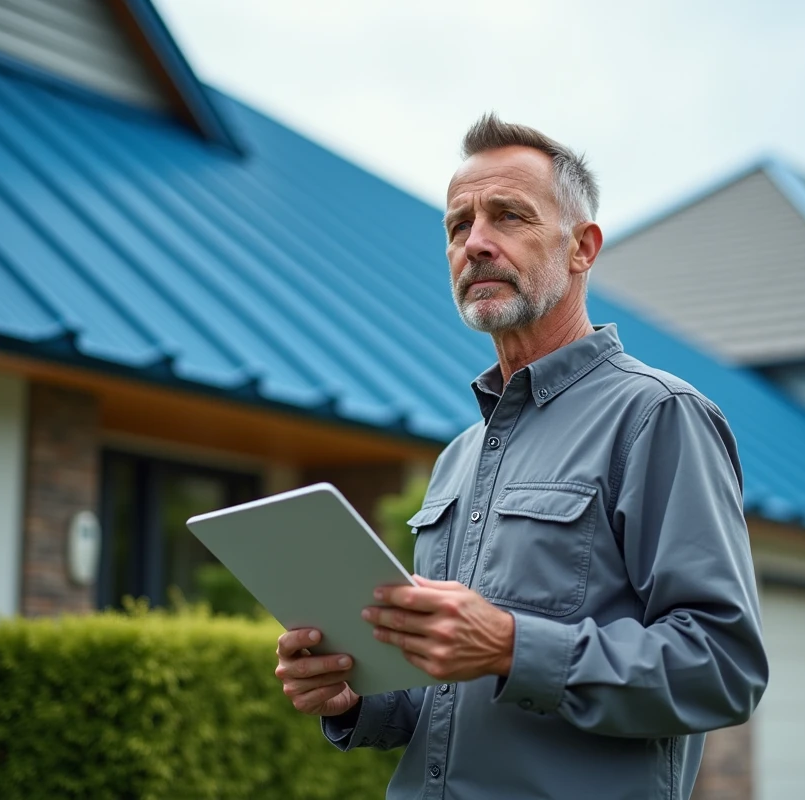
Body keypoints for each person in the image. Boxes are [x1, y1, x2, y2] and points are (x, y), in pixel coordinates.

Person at [274, 114, 769, 799]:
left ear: (582, 248)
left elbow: (723, 668)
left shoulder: (657, 416)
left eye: (507, 217)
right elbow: (443, 701)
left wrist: (513, 646)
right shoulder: (458, 458)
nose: (475, 244)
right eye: (457, 226)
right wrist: (354, 696)